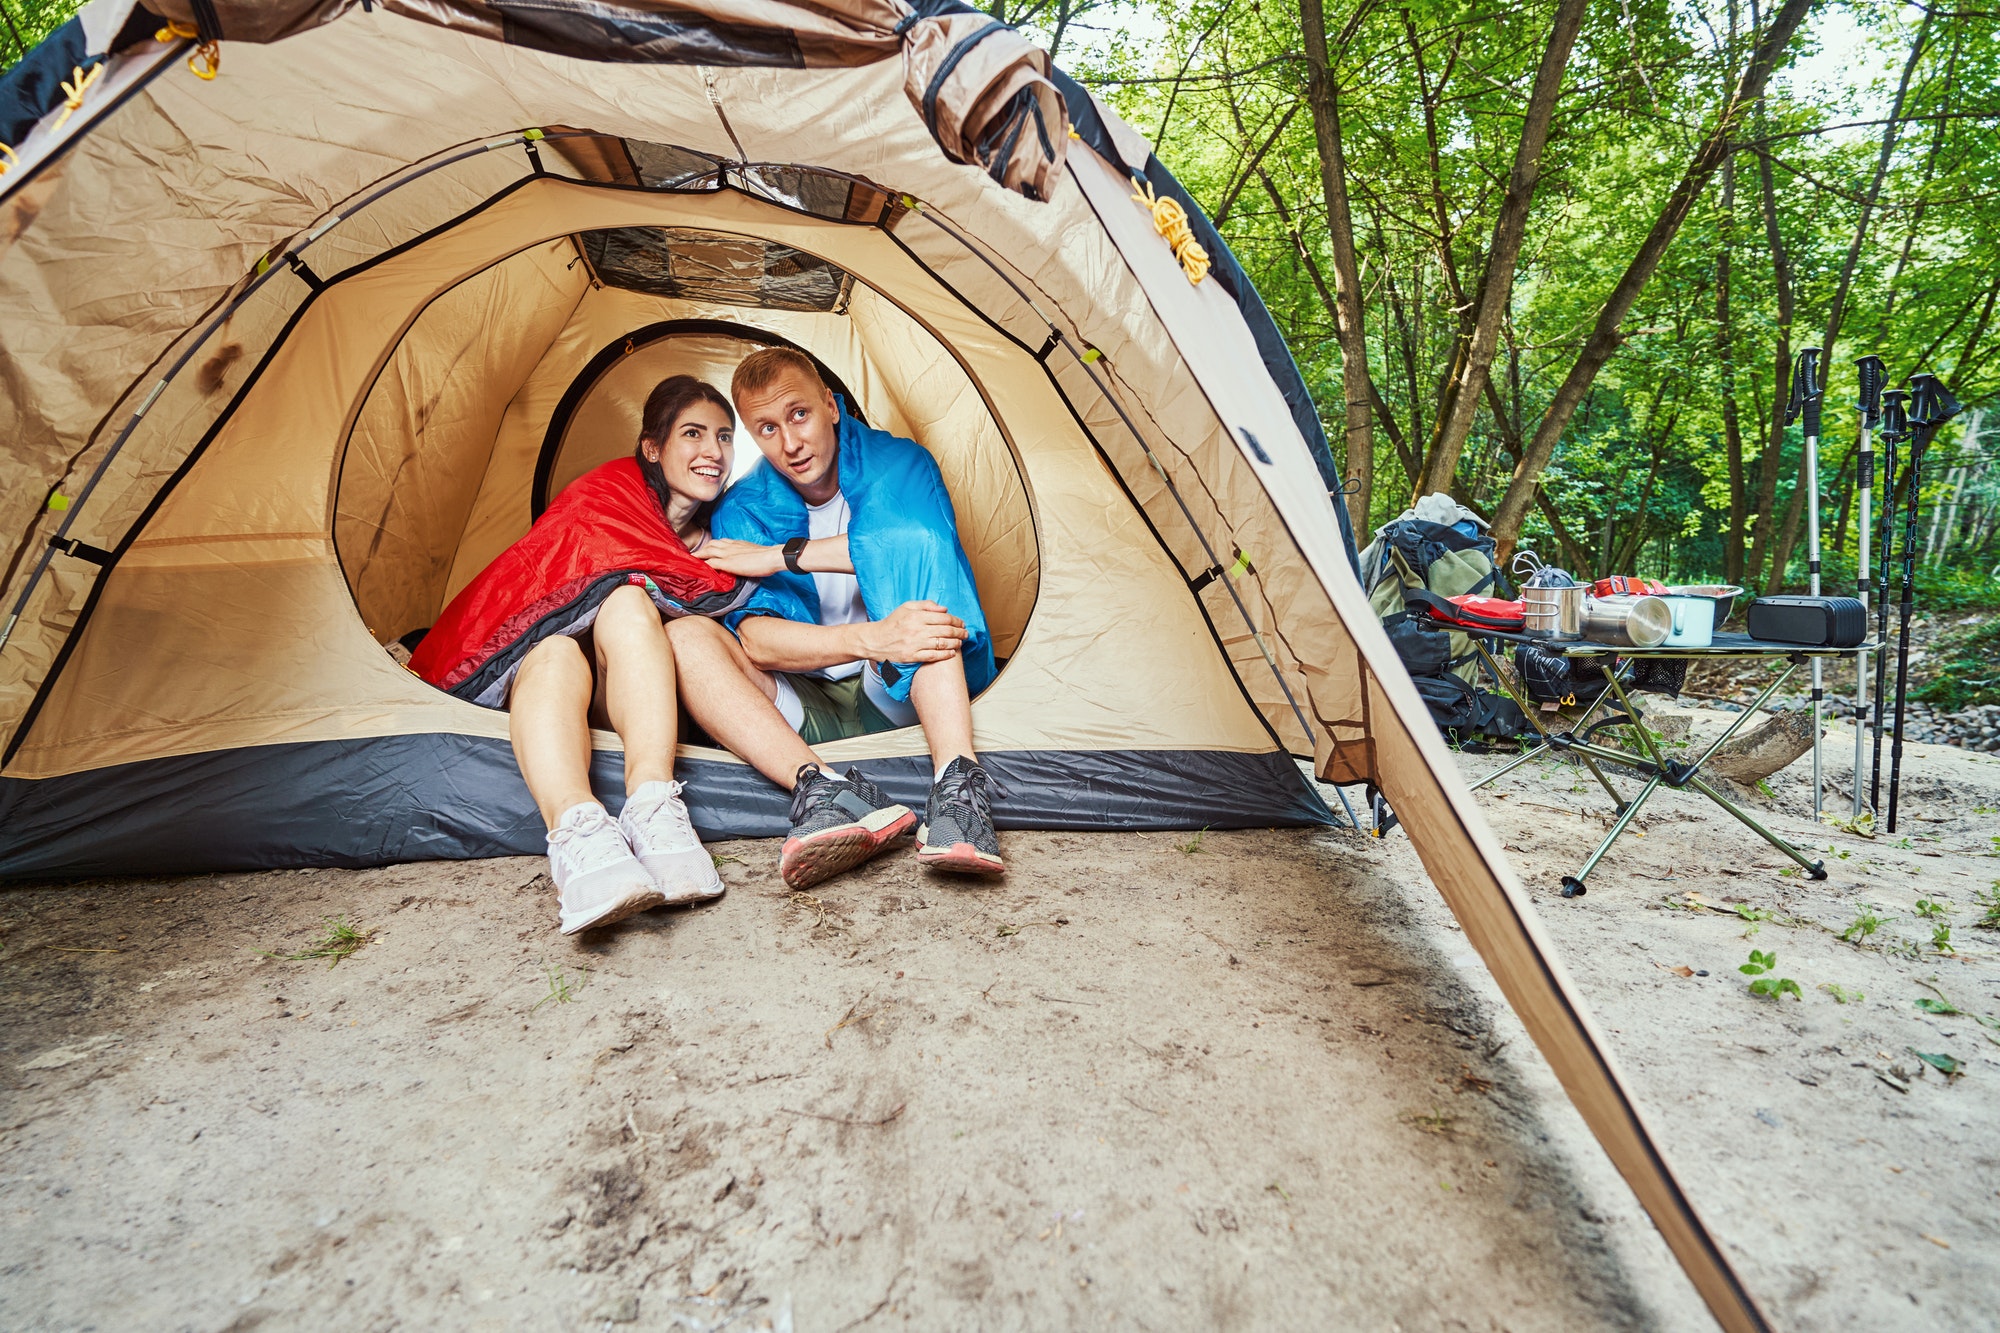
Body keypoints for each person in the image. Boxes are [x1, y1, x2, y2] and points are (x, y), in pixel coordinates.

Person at [408, 376, 753, 934]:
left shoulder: (731, 529)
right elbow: (540, 572)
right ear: (652, 448)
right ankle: (578, 832)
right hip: (566, 686)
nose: (713, 452)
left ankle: (652, 806)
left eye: (724, 437)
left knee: (626, 603)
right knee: (551, 653)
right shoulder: (609, 492)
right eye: (693, 434)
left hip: (644, 697)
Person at [671, 346, 1002, 891]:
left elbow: (914, 544)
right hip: (804, 701)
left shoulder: (900, 462)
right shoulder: (744, 505)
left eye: (798, 414)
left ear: (830, 404)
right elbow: (756, 639)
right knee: (685, 636)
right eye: (767, 429)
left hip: (900, 691)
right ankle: (828, 791)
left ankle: (958, 789)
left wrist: (783, 555)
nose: (790, 443)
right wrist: (869, 638)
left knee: (923, 605)